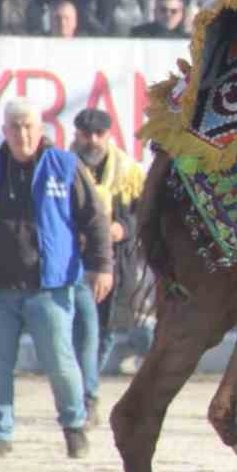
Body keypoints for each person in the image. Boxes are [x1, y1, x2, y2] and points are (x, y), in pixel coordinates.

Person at [0, 99, 112, 459]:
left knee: (61, 362)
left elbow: (94, 219)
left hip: (50, 286)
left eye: (29, 125)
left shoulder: (64, 165)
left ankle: (74, 426)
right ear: (4, 131)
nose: (23, 134)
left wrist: (102, 266)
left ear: (41, 129)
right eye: (15, 126)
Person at [69, 109, 143, 427]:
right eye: (87, 134)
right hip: (73, 262)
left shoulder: (128, 172)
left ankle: (87, 392)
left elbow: (142, 216)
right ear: (77, 135)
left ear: (109, 135)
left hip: (115, 264)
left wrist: (122, 230)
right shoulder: (62, 167)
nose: (93, 140)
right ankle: (84, 396)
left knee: (105, 333)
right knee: (82, 333)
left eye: (99, 134)